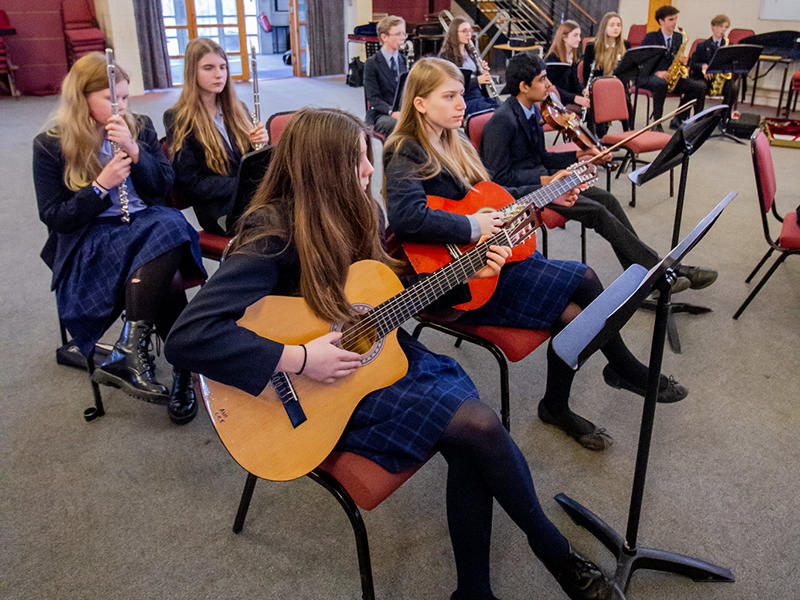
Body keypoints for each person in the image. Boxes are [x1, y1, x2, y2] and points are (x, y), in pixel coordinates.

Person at [164, 107, 618, 600]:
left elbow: (388, 296)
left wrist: (466, 275)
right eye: (360, 160)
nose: (368, 171)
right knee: (478, 427)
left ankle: (476, 591)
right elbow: (188, 337)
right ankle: (552, 552)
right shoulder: (271, 233)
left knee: (473, 430)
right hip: (307, 391)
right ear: (325, 167)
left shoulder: (363, 211)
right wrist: (299, 359)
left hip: (374, 361)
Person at [384, 57, 689, 452]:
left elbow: (493, 203)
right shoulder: (405, 150)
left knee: (573, 313)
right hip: (457, 280)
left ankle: (556, 404)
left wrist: (546, 194)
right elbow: (407, 218)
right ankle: (624, 368)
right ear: (420, 103)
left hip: (491, 259)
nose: (462, 103)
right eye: (450, 96)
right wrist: (475, 226)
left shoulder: (454, 142)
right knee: (584, 278)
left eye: (461, 94)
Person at [33, 52, 206, 425]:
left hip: (145, 222)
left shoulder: (138, 126)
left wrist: (134, 149)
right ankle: (179, 372)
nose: (121, 106)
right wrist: (99, 187)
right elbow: (55, 217)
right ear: (82, 98)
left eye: (125, 97)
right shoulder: (49, 144)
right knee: (170, 269)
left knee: (172, 223)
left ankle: (131, 350)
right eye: (112, 98)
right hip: (94, 237)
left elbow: (162, 185)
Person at [480, 52, 717, 291]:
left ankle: (647, 273)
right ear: (523, 86)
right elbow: (498, 179)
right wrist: (545, 180)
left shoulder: (532, 111)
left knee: (607, 199)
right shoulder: (502, 121)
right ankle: (661, 273)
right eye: (543, 79)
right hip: (524, 196)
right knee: (597, 212)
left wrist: (581, 155)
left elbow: (543, 157)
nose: (550, 85)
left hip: (547, 185)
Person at [164, 38, 269, 236]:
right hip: (219, 210)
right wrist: (243, 184)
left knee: (300, 208)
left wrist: (260, 146)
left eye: (223, 67)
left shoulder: (239, 110)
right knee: (282, 221)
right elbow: (193, 183)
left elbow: (250, 164)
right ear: (192, 72)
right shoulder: (178, 118)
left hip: (250, 199)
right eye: (208, 68)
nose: (218, 74)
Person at [639, 5, 706, 130]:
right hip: (651, 76)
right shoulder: (651, 37)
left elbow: (675, 58)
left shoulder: (678, 37)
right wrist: (657, 72)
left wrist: (684, 61)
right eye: (671, 19)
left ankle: (679, 118)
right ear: (661, 21)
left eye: (675, 19)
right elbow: (643, 60)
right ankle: (656, 122)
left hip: (671, 76)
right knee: (661, 83)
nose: (674, 22)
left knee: (699, 86)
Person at [438, 16, 499, 118]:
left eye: (469, 31)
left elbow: (476, 76)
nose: (469, 34)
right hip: (464, 99)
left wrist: (481, 71)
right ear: (454, 34)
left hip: (479, 95)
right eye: (464, 31)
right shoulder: (446, 56)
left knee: (500, 105)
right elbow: (450, 84)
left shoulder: (471, 53)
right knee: (494, 111)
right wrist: (477, 80)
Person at [363, 15, 408, 138]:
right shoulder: (372, 63)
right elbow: (373, 98)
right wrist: (391, 111)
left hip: (404, 111)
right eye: (398, 34)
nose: (403, 38)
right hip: (381, 113)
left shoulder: (406, 61)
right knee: (393, 124)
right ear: (384, 37)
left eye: (404, 34)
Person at [688, 14, 740, 121]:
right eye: (721, 26)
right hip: (705, 78)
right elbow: (693, 63)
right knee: (700, 87)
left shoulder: (729, 46)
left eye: (726, 27)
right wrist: (703, 66)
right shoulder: (702, 45)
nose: (723, 30)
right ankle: (698, 118)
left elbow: (735, 65)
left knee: (733, 88)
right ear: (713, 27)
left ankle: (724, 116)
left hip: (721, 79)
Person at [544, 20, 588, 114]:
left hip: (568, 97)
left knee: (597, 106)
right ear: (564, 38)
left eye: (579, 35)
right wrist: (575, 98)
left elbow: (574, 82)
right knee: (590, 111)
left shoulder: (573, 56)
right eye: (575, 35)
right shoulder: (553, 58)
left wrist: (583, 91)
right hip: (557, 100)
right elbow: (551, 88)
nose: (579, 39)